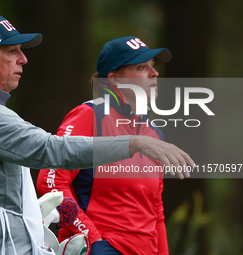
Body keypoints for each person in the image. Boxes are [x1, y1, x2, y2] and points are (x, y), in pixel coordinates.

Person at [0, 13, 193, 255]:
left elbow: (156, 210)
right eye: (12, 51)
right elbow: (51, 155)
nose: (23, 59)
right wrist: (89, 235)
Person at [37, 36, 186, 255]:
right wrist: (91, 239)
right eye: (142, 67)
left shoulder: (154, 132)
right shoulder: (89, 116)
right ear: (115, 79)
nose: (154, 73)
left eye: (153, 66)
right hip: (103, 247)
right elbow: (51, 182)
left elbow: (155, 209)